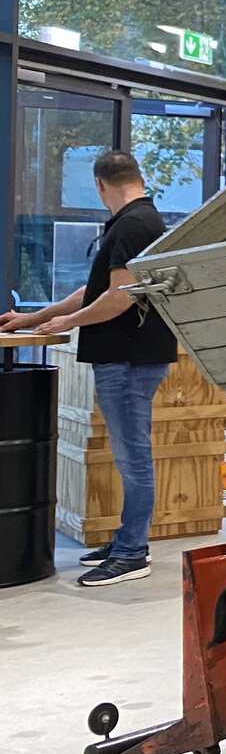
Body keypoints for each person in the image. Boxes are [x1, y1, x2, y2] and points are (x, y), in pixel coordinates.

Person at [0, 150, 176, 586]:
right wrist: (36, 318)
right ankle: (125, 541)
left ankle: (133, 552)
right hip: (130, 356)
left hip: (129, 358)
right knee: (128, 454)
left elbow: (120, 297)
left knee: (133, 457)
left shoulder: (133, 226)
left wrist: (67, 323)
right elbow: (94, 289)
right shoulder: (139, 221)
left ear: (100, 185)